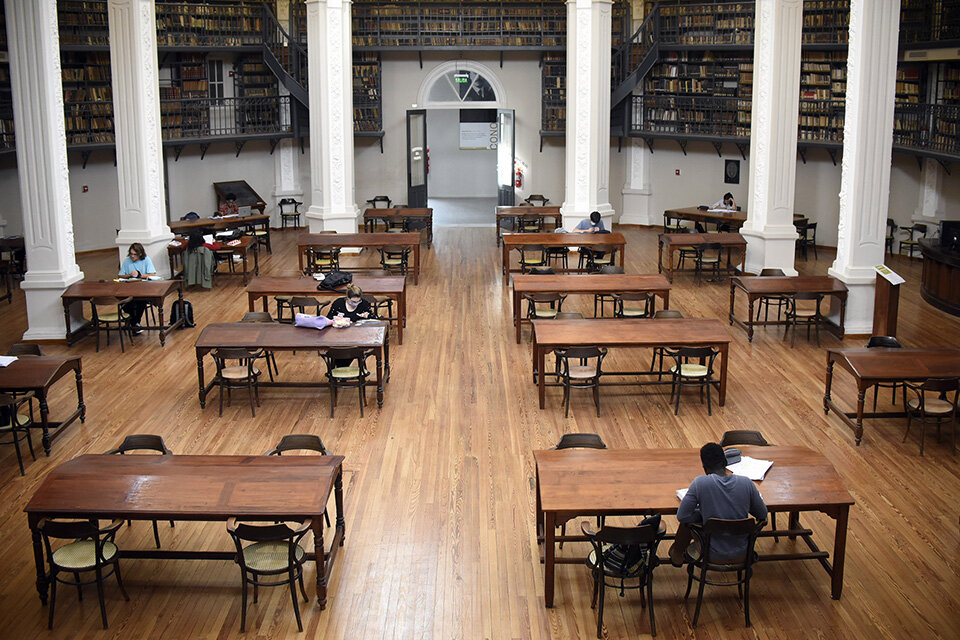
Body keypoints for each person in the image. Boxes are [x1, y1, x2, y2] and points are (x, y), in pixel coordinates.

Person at [669, 442, 767, 566]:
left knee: (687, 524)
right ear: (725, 463)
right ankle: (676, 553)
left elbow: (682, 516)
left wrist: (704, 515)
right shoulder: (746, 483)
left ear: (704, 467)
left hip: (708, 554)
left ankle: (676, 553)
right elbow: (762, 514)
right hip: (743, 554)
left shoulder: (700, 483)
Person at [118, 243, 156, 334]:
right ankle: (135, 324)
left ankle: (133, 323)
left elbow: (153, 274)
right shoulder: (127, 261)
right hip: (129, 287)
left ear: (140, 254)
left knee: (141, 301)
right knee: (124, 301)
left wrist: (139, 275)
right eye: (131, 254)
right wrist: (129, 275)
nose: (132, 256)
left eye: (134, 254)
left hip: (143, 288)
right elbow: (120, 275)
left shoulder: (146, 260)